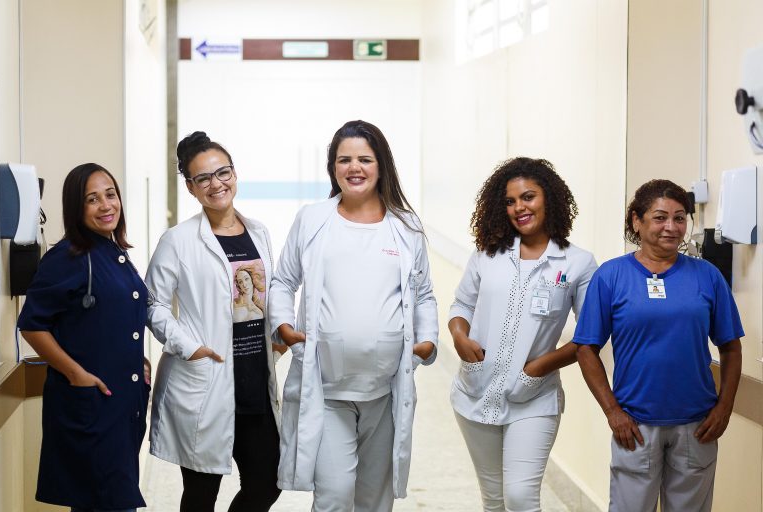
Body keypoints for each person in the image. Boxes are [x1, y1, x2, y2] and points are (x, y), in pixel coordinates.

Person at [270, 120, 438, 511]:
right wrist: (284, 328)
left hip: (384, 389)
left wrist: (426, 342)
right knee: (333, 495)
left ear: (381, 165)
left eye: (365, 158)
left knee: (374, 499)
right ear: (333, 168)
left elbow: (424, 293)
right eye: (344, 159)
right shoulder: (313, 220)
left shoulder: (405, 227)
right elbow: (283, 280)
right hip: (326, 388)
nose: (354, 167)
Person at [573, 179, 743, 512]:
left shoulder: (707, 276)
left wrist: (724, 408)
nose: (671, 227)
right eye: (660, 217)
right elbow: (585, 348)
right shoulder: (612, 276)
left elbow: (731, 347)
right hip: (634, 426)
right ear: (637, 220)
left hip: (697, 426)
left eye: (680, 218)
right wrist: (613, 412)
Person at [448, 157, 597, 512]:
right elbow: (461, 305)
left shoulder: (577, 263)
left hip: (535, 397)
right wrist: (459, 337)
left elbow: (591, 335)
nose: (519, 208)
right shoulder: (487, 254)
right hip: (476, 389)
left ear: (549, 199)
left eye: (528, 197)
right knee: (495, 500)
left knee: (520, 497)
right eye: (511, 201)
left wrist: (542, 366)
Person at [146, 132, 284, 512]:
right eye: (203, 178)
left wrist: (277, 332)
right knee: (201, 494)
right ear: (191, 188)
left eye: (222, 172)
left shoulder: (258, 232)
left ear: (235, 174)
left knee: (268, 482)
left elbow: (263, 296)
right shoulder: (178, 240)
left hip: (254, 376)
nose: (215, 183)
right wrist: (189, 347)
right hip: (207, 379)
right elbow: (152, 303)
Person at [18, 163, 150, 512]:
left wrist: (140, 362)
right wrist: (75, 373)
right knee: (104, 501)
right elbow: (32, 325)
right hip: (93, 404)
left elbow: (113, 318)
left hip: (119, 403)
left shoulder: (114, 253)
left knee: (109, 500)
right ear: (76, 208)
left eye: (111, 194)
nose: (106, 205)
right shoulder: (67, 258)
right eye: (92, 199)